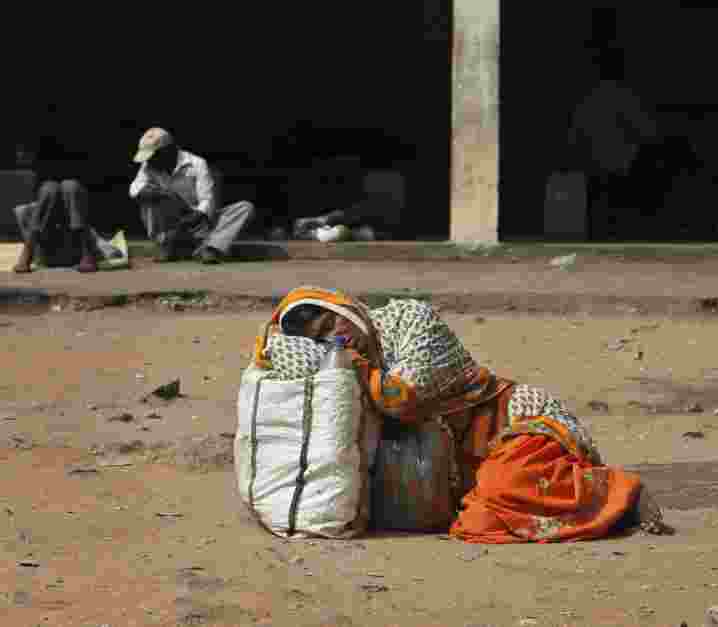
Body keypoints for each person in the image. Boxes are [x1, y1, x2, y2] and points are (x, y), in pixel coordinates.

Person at [252, 286, 671, 543]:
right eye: (321, 339)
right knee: (478, 521)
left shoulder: (410, 320)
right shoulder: (338, 369)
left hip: (514, 427)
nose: (335, 339)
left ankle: (619, 492)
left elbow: (404, 398)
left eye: (331, 324)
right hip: (459, 473)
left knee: (507, 485)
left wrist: (350, 364)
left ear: (345, 308)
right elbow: (273, 360)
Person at [568, 47, 658, 241]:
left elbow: (575, 139)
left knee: (598, 225)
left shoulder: (588, 100)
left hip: (594, 172)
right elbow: (649, 133)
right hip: (623, 171)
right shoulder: (624, 97)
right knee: (621, 224)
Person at [128, 127, 254, 264]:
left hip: (198, 220)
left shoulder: (197, 163)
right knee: (147, 198)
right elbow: (134, 189)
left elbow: (206, 200)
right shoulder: (148, 165)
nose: (150, 160)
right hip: (171, 227)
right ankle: (165, 246)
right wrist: (165, 194)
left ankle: (211, 248)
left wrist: (196, 216)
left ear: (168, 150)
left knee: (245, 207)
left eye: (153, 155)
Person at [10, 137, 98, 273]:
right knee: (50, 189)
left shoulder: (72, 184)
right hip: (46, 245)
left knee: (70, 186)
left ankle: (87, 253)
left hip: (74, 245)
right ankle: (27, 251)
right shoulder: (37, 180)